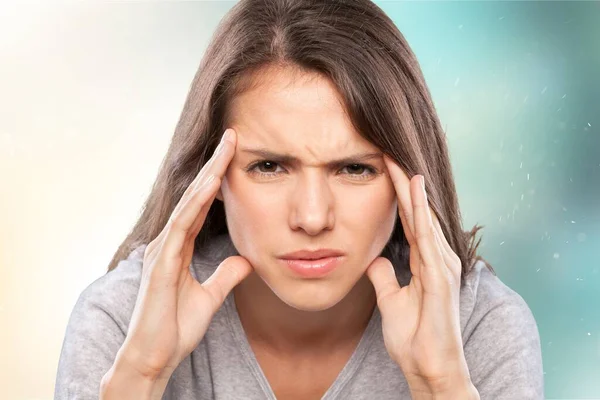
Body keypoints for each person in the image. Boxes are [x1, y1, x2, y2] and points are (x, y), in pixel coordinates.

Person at [54, 0, 544, 399]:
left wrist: (440, 386)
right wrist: (142, 373)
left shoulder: (481, 327)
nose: (312, 217)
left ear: (411, 173)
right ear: (211, 178)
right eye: (269, 166)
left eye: (355, 168)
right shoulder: (120, 322)